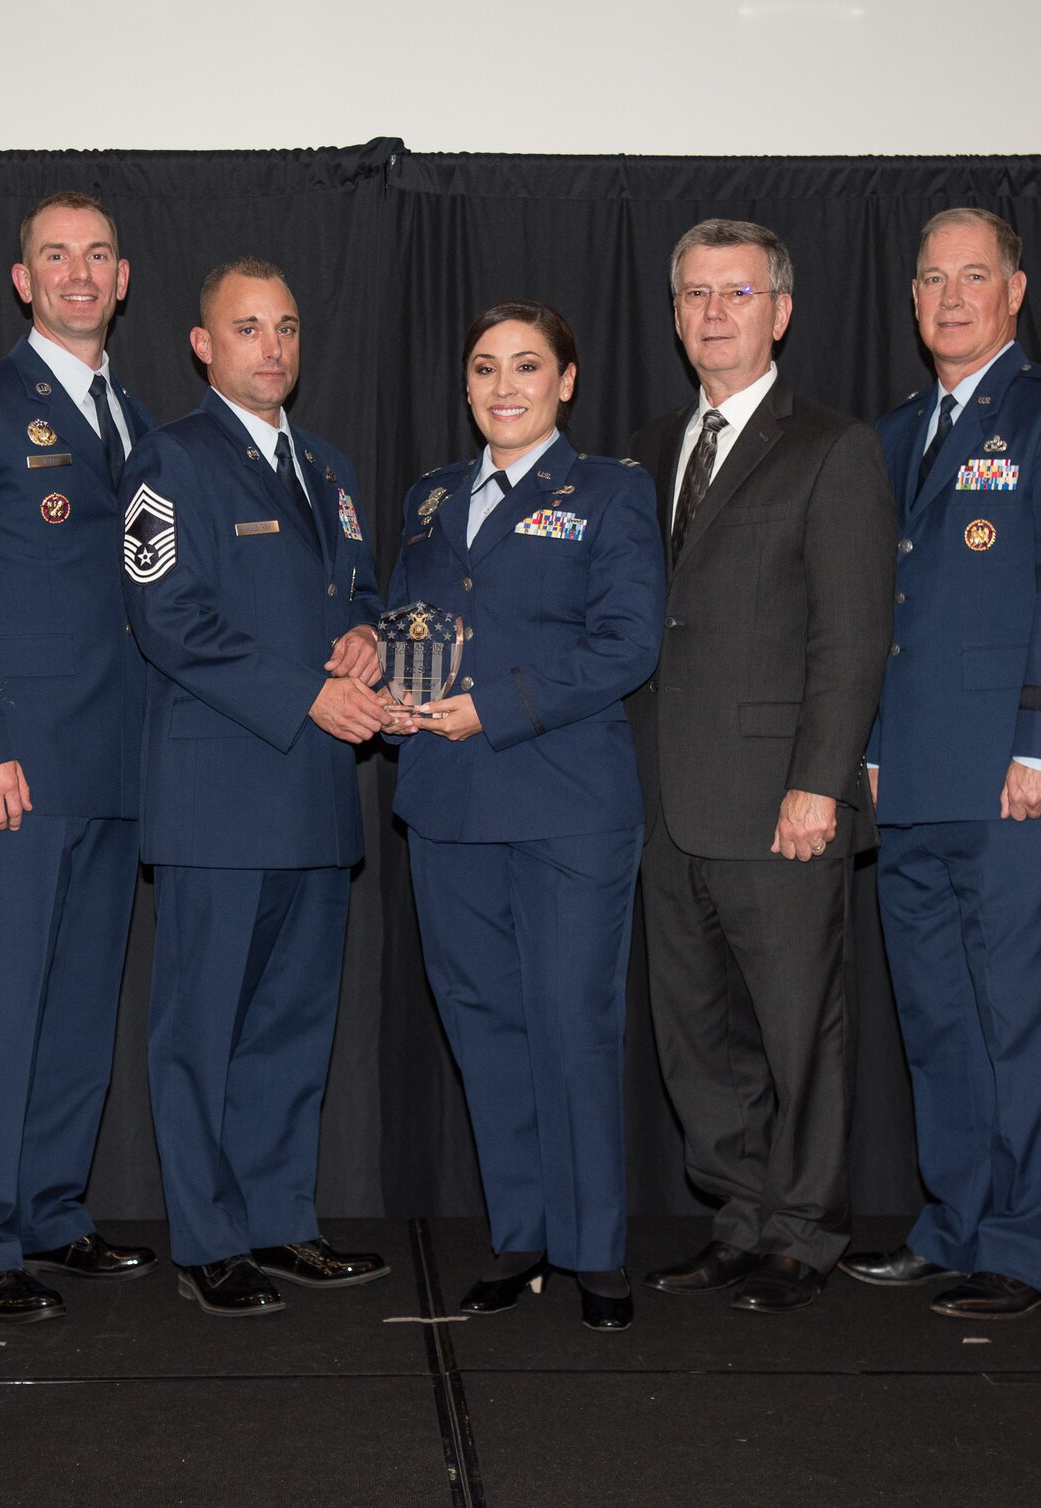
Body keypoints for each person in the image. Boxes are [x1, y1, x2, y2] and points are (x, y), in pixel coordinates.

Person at [837, 208, 1041, 1319]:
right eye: (930, 279)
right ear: (910, 300)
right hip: (910, 782)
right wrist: (867, 748)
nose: (950, 296)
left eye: (973, 275)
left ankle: (1025, 1244)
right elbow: (881, 615)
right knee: (941, 1019)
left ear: (1015, 290)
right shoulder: (898, 429)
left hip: (1020, 782)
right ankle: (952, 1220)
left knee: (1022, 1020)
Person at [626, 220, 896, 1314]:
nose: (711, 313)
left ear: (778, 311)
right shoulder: (646, 451)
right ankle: (736, 1217)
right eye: (693, 293)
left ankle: (804, 1228)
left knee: (798, 1030)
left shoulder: (832, 447)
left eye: (735, 293)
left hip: (780, 798)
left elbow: (852, 634)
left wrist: (818, 781)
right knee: (697, 1037)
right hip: (663, 799)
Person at [0, 192, 158, 1324]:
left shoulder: (140, 420)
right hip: (19, 763)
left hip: (119, 761)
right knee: (5, 1001)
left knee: (78, 999)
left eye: (96, 256)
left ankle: (52, 1209)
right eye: (55, 256)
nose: (77, 273)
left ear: (123, 276)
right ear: (22, 279)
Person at [121, 258, 393, 1316]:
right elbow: (169, 619)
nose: (270, 347)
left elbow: (358, 586)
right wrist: (305, 696)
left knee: (289, 1025)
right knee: (199, 1030)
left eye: (284, 326)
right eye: (246, 328)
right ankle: (208, 1237)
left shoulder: (325, 465)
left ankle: (282, 1219)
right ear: (202, 344)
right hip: (220, 796)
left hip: (317, 797)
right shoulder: (168, 461)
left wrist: (369, 629)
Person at [388, 301, 664, 1331]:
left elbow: (627, 643)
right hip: (447, 798)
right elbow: (405, 623)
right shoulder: (425, 498)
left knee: (570, 1022)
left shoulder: (609, 493)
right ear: (464, 385)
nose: (503, 385)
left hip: (564, 800)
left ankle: (594, 1250)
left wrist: (490, 708)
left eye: (526, 366)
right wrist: (375, 671)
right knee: (484, 1025)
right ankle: (520, 1231)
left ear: (567, 380)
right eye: (484, 368)